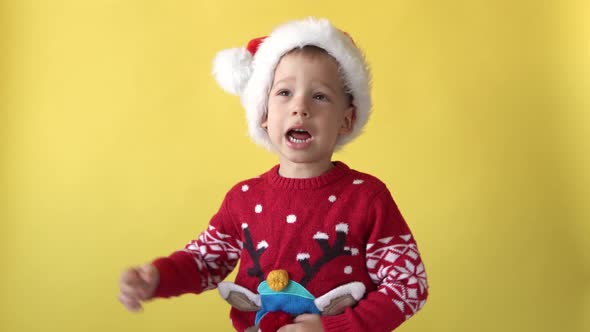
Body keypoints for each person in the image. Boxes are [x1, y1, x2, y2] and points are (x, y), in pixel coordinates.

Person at [118, 17, 428, 332]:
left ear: (346, 120)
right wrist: (158, 277)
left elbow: (409, 285)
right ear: (264, 114)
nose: (300, 107)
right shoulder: (243, 198)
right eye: (284, 93)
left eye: (319, 96)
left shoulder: (367, 197)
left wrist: (336, 328)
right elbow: (205, 261)